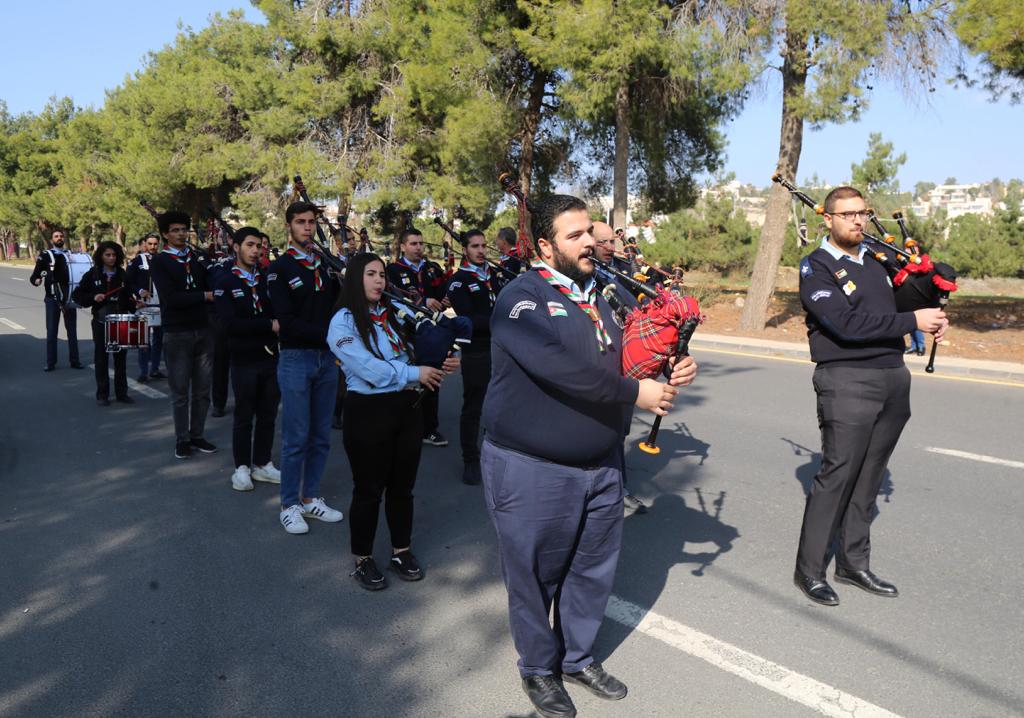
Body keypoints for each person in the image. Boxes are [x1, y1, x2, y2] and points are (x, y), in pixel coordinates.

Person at [481, 194, 698, 718]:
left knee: (592, 569)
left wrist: (668, 365)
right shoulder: (521, 299)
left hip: (601, 461)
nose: (590, 244)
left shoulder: (597, 295)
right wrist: (634, 394)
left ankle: (577, 657)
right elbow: (562, 370)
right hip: (532, 465)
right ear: (544, 245)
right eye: (575, 236)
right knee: (535, 574)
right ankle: (538, 668)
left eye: (591, 234)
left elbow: (627, 355)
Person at [794, 186, 948, 607]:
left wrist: (929, 290)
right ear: (827, 219)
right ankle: (809, 571)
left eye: (862, 213)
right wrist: (910, 318)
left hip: (892, 376)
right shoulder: (817, 267)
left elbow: (901, 303)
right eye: (847, 215)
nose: (857, 221)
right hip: (846, 379)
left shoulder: (879, 262)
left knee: (870, 476)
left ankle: (852, 563)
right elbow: (846, 324)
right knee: (837, 475)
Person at [327, 253, 460, 589]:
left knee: (403, 488)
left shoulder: (394, 316)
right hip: (368, 412)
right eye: (370, 274)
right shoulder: (342, 321)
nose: (378, 281)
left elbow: (414, 354)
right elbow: (365, 369)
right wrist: (416, 373)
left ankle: (402, 550)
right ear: (355, 279)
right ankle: (363, 558)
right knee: (369, 490)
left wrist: (438, 363)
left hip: (406, 408)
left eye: (382, 275)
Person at [267, 201, 343, 535]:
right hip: (296, 358)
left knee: (321, 435)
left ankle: (310, 497)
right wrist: (331, 336)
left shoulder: (326, 266)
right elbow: (286, 321)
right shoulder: (280, 268)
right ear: (289, 226)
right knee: (296, 437)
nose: (307, 227)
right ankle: (289, 505)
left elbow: (340, 307)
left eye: (312, 222)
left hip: (327, 359)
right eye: (301, 222)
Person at [213, 227, 282, 492]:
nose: (256, 251)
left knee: (268, 414)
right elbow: (229, 324)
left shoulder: (265, 279)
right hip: (243, 359)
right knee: (244, 414)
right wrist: (268, 325)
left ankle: (262, 463)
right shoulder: (224, 281)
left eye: (259, 246)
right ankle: (241, 467)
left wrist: (268, 324)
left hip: (270, 357)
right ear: (236, 247)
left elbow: (277, 312)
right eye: (250, 245)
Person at [150, 211, 218, 460]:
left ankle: (197, 434)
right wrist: (204, 297)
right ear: (165, 234)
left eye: (184, 229)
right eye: (175, 230)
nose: (181, 234)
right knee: (180, 391)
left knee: (202, 389)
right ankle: (182, 439)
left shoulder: (198, 257)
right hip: (177, 332)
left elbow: (214, 283)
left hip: (204, 329)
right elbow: (171, 298)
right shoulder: (159, 261)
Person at [592, 221, 647, 516]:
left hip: (626, 366)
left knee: (620, 432)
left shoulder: (620, 270)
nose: (611, 248)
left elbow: (637, 312)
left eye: (612, 242)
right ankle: (614, 490)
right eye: (604, 243)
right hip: (602, 369)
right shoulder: (587, 278)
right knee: (605, 431)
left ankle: (615, 486)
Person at [445, 229, 502, 485]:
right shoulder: (459, 281)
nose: (481, 250)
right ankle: (471, 458)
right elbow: (467, 319)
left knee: (500, 404)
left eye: (483, 246)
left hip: (501, 348)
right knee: (474, 406)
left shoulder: (495, 275)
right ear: (465, 250)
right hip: (476, 350)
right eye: (475, 246)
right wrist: (503, 321)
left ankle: (499, 455)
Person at [387, 227, 449, 447]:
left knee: (432, 377)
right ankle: (403, 425)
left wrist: (445, 300)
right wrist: (422, 303)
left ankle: (429, 429)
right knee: (408, 378)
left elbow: (441, 293)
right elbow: (392, 297)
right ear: (403, 246)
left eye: (421, 243)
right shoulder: (393, 269)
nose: (419, 247)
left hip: (434, 331)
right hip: (408, 331)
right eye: (413, 244)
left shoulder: (432, 268)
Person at [72, 241, 133, 406]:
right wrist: (93, 297)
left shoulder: (122, 275)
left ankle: (122, 393)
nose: (111, 258)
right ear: (101, 256)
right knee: (101, 359)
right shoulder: (93, 274)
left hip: (120, 321)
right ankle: (102, 394)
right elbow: (77, 295)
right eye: (107, 255)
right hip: (100, 322)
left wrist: (137, 304)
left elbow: (129, 299)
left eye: (114, 255)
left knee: (121, 359)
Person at [30, 228, 84, 371]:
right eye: (56, 236)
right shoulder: (45, 255)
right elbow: (35, 275)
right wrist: (37, 280)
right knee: (52, 331)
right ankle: (50, 362)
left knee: (72, 331)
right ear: (52, 240)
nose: (59, 238)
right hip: (52, 299)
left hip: (69, 298)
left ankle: (75, 361)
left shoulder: (71, 255)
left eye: (61, 236)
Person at [126, 233, 165, 382]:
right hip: (144, 305)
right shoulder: (137, 261)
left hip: (160, 305)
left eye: (155, 244)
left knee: (158, 340)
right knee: (143, 341)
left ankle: (154, 369)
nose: (153, 247)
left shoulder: (163, 260)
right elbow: (128, 282)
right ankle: (143, 371)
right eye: (150, 244)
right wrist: (140, 291)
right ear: (144, 244)